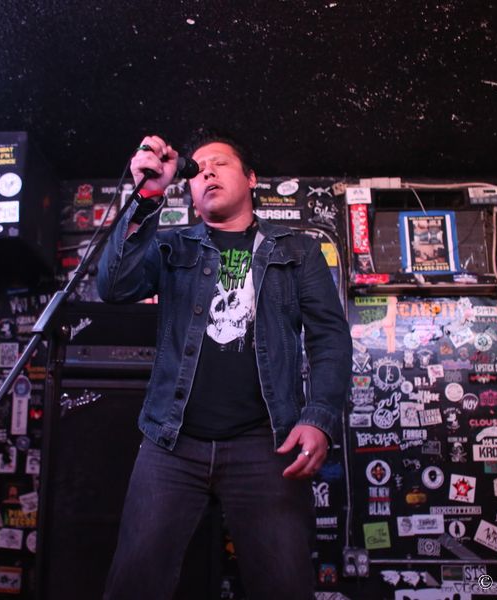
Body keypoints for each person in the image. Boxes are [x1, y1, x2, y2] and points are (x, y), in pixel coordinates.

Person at [96, 132, 352, 600]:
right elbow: (114, 286)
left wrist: (319, 417)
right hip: (171, 442)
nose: (208, 172)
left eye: (220, 163)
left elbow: (329, 338)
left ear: (251, 178)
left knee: (284, 585)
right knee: (135, 581)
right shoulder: (173, 247)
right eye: (197, 169)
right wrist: (147, 194)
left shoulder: (298, 250)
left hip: (267, 444)